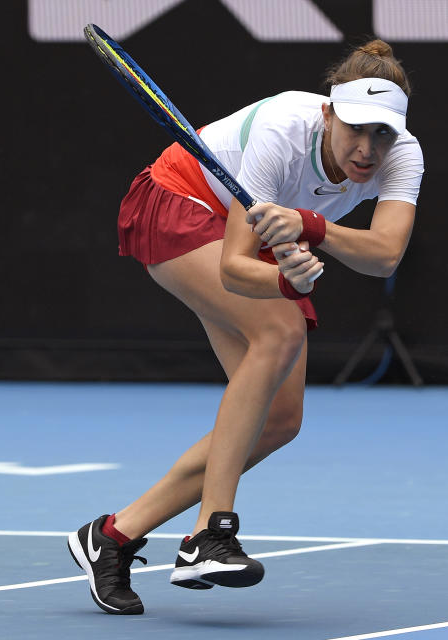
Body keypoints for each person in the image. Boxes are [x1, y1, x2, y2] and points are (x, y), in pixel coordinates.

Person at [68, 39, 423, 615]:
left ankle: (111, 536)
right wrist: (288, 285)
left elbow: (384, 255)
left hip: (247, 235)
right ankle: (211, 533)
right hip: (175, 202)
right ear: (328, 113)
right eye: (355, 128)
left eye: (382, 133)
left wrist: (310, 227)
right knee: (280, 331)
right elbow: (236, 267)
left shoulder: (404, 155)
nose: (367, 148)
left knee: (279, 420)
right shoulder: (283, 128)